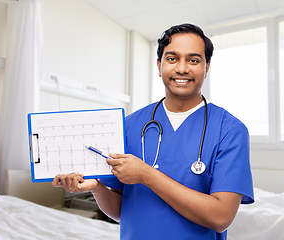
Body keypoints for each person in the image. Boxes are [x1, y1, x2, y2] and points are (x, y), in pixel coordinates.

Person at [52, 23, 254, 240]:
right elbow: (122, 211)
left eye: (193, 60)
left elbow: (221, 217)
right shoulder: (128, 126)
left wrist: (147, 175)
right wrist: (97, 189)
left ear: (206, 67)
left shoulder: (230, 130)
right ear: (159, 66)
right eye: (172, 58)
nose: (182, 68)